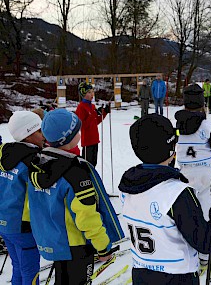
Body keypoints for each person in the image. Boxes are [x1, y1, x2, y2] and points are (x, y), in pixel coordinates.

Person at [119, 114, 211, 285]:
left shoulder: (128, 187)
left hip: (141, 274)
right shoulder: (177, 194)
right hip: (177, 277)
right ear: (171, 149)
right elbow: (204, 242)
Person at [28, 109, 123, 285]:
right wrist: (103, 247)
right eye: (77, 131)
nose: (80, 133)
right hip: (77, 247)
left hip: (55, 240)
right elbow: (87, 217)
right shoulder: (76, 173)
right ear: (68, 138)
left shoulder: (39, 164)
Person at [175, 83, 211, 266]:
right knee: (206, 210)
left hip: (185, 174)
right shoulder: (207, 124)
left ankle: (186, 246)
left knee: (188, 211)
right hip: (206, 175)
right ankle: (205, 254)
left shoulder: (178, 125)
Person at [0, 111, 45, 285]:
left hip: (5, 222)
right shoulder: (34, 159)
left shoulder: (5, 153)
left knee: (18, 265)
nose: (44, 135)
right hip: (22, 226)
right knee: (30, 271)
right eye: (40, 131)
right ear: (28, 134)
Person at [75, 82, 110, 167]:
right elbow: (82, 125)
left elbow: (96, 122)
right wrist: (93, 114)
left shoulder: (92, 106)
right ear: (83, 94)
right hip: (87, 141)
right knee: (87, 164)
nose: (92, 94)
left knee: (93, 164)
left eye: (92, 92)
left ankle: (92, 178)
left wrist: (104, 112)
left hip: (95, 139)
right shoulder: (81, 107)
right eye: (89, 92)